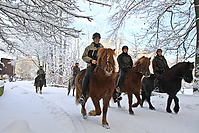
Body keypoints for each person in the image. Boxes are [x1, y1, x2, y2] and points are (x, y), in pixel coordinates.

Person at [78, 32, 104, 105]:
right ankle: (83, 95)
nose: (97, 40)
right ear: (93, 39)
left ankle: (110, 94)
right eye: (95, 38)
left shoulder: (102, 48)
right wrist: (91, 60)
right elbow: (84, 56)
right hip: (91, 66)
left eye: (98, 39)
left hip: (100, 66)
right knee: (86, 76)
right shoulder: (88, 48)